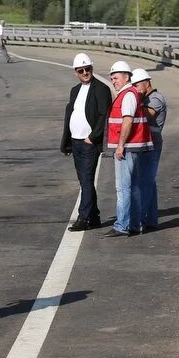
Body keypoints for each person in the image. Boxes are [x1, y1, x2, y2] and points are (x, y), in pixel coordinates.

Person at [60, 53, 113, 231]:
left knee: (87, 179)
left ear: (92, 68)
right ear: (75, 72)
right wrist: (67, 143)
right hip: (76, 142)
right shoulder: (75, 90)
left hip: (89, 143)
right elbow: (70, 115)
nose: (85, 72)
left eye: (87, 69)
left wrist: (93, 137)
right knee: (84, 181)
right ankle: (94, 216)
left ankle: (83, 218)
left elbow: (103, 115)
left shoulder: (101, 89)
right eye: (81, 70)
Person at [104, 61, 153, 237]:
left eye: (115, 77)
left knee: (123, 188)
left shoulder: (128, 95)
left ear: (126, 77)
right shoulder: (129, 94)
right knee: (133, 187)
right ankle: (135, 224)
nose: (113, 81)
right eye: (112, 78)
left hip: (128, 147)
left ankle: (122, 225)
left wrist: (120, 145)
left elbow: (127, 121)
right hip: (133, 146)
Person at [132, 68, 167, 232]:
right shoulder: (146, 98)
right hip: (145, 143)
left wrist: (135, 102)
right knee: (148, 182)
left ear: (146, 83)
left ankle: (141, 218)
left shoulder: (156, 98)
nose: (135, 88)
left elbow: (146, 115)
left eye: (137, 85)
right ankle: (151, 220)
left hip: (153, 144)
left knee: (145, 182)